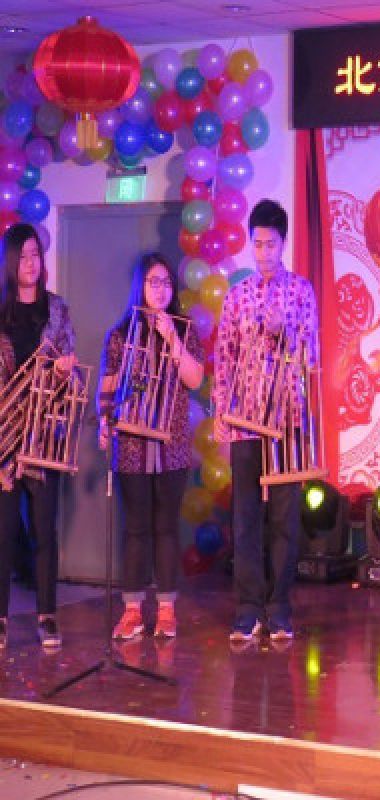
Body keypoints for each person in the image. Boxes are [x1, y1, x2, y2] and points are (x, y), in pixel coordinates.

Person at [213, 199, 318, 642]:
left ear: (283, 243)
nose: (262, 254)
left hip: (287, 422)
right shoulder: (237, 296)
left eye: (270, 245)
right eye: (256, 245)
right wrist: (221, 410)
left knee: (284, 517)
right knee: (246, 517)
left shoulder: (301, 292)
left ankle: (279, 606)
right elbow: (223, 357)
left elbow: (310, 356)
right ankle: (248, 607)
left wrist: (285, 330)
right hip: (244, 421)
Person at [99, 253, 204, 640]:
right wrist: (105, 421)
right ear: (140, 288)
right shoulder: (121, 333)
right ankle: (131, 611)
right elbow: (108, 386)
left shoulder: (185, 328)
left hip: (172, 446)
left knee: (166, 528)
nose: (160, 289)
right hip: (131, 447)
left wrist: (172, 339)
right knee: (136, 529)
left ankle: (165, 610)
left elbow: (194, 379)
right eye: (153, 282)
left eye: (166, 283)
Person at [0, 223, 77, 651]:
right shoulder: (1, 311)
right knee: (4, 532)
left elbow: (71, 356)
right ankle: (1, 618)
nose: (32, 263)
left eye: (36, 255)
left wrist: (66, 368)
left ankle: (48, 616)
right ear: (11, 262)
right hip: (6, 439)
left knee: (45, 531)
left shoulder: (58, 309)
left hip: (46, 434)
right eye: (24, 255)